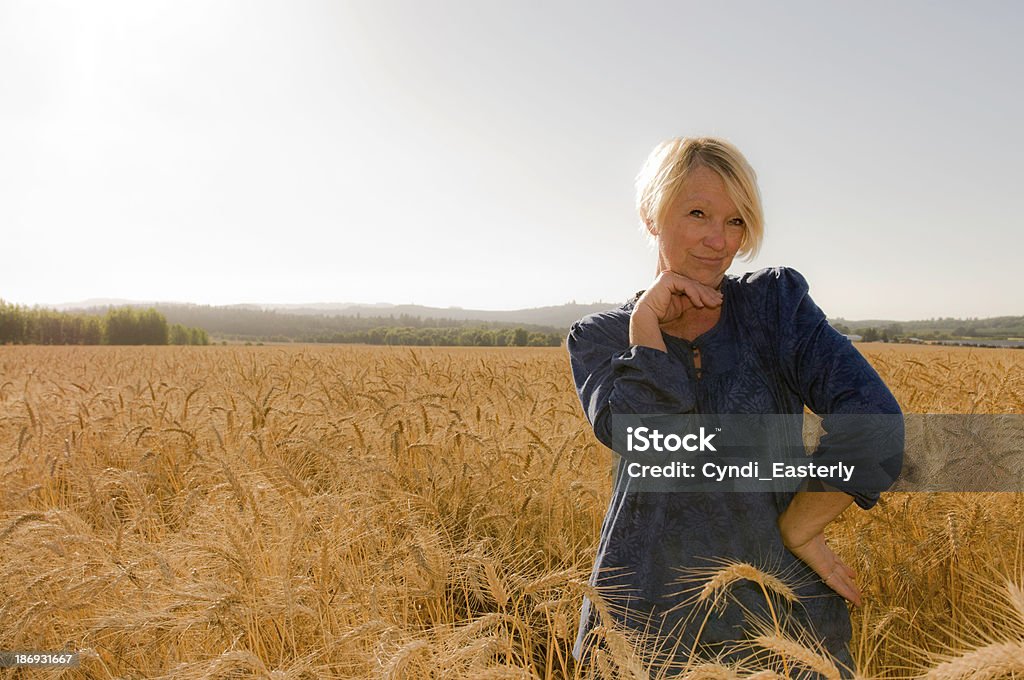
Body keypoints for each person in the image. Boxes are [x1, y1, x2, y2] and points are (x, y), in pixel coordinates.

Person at [566, 136, 904, 675]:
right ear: (651, 215)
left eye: (736, 221)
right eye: (698, 213)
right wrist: (646, 329)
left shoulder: (775, 310)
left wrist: (798, 527)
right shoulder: (602, 340)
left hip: (778, 620)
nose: (719, 241)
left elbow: (876, 425)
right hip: (641, 626)